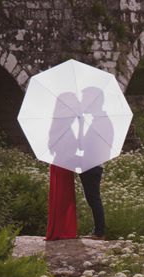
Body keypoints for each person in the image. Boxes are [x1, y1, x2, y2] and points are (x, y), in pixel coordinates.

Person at [78, 86, 112, 240]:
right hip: (91, 164)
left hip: (93, 164)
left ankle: (99, 232)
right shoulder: (97, 120)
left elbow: (98, 144)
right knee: (92, 198)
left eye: (86, 99)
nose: (83, 102)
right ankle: (98, 231)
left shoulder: (102, 121)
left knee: (94, 198)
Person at [45, 92, 79, 241]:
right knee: (63, 198)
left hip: (61, 163)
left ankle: (60, 230)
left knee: (62, 198)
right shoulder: (63, 124)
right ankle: (61, 231)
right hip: (63, 164)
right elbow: (74, 145)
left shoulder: (58, 122)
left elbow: (52, 146)